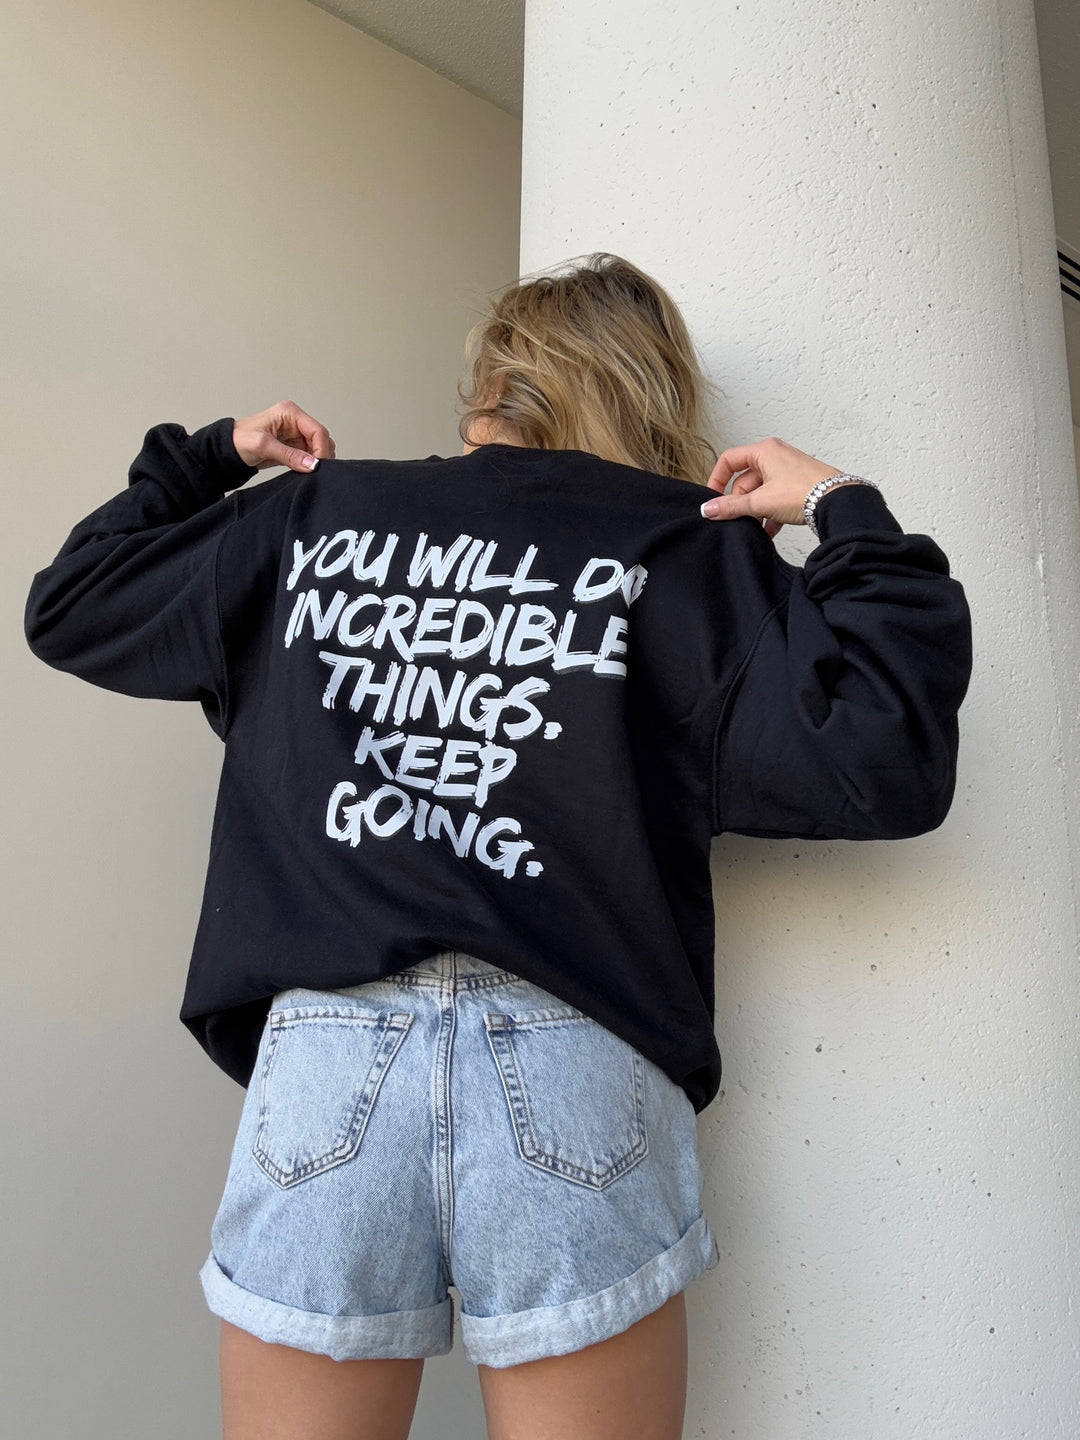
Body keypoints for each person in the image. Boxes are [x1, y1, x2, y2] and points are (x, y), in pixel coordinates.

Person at [23, 252, 972, 1440]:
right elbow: (886, 755)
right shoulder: (685, 549)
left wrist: (211, 457)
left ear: (493, 379)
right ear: (648, 387)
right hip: (577, 1056)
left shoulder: (316, 516)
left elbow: (72, 605)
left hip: (328, 1063)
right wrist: (840, 507)